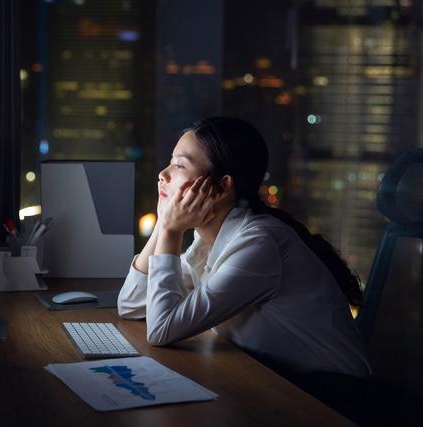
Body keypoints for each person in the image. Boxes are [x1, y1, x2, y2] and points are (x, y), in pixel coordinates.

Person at [117, 117, 372, 420]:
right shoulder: (209, 241)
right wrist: (164, 225)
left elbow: (161, 330)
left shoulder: (258, 244)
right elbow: (131, 305)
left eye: (180, 166)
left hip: (330, 400)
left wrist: (172, 231)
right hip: (275, 381)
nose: (163, 174)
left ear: (221, 187)